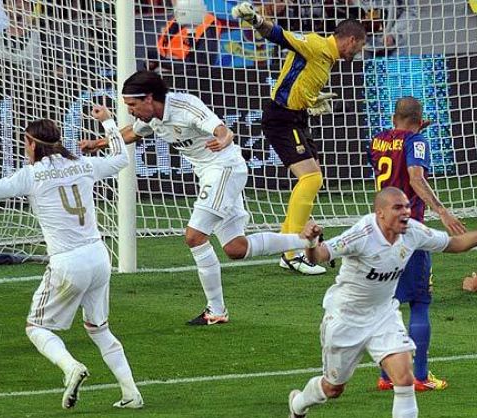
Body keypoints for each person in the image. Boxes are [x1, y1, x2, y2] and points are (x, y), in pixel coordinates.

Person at [286, 186, 477, 418]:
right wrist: (311, 241)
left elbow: (455, 244)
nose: (405, 211)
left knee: (405, 379)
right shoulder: (362, 233)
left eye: (406, 206)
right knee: (333, 389)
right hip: (345, 319)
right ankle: (299, 404)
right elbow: (319, 256)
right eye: (397, 207)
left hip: (383, 314)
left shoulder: (413, 232)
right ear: (380, 212)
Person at [80, 70, 323, 326]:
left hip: (224, 169)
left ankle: (216, 311)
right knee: (235, 248)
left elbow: (221, 129)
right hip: (210, 174)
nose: (130, 110)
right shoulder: (152, 117)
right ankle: (306, 240)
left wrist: (224, 138)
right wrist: (97, 144)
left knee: (194, 236)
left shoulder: (185, 106)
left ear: (149, 99)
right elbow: (133, 133)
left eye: (132, 104)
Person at [0, 106, 143, 410]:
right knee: (99, 328)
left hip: (67, 262)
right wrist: (108, 123)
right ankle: (131, 393)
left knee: (36, 328)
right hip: (99, 256)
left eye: (26, 143)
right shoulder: (83, 164)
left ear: (33, 144)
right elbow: (120, 159)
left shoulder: (32, 175)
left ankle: (71, 367)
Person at [232, 2, 366, 275]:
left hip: (297, 117)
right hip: (281, 117)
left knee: (313, 178)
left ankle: (289, 249)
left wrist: (312, 99)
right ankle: (293, 252)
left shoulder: (327, 58)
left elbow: (299, 82)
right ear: (350, 40)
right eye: (359, 46)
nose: (358, 52)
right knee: (311, 178)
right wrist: (255, 19)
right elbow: (280, 35)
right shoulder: (316, 44)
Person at [370, 96, 465, 393]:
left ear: (394, 116)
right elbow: (414, 177)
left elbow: (394, 152)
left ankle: (387, 375)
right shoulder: (417, 141)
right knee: (421, 302)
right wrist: (442, 210)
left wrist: (409, 132)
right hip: (408, 231)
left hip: (379, 231)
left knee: (388, 303)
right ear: (419, 119)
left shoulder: (378, 140)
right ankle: (420, 375)